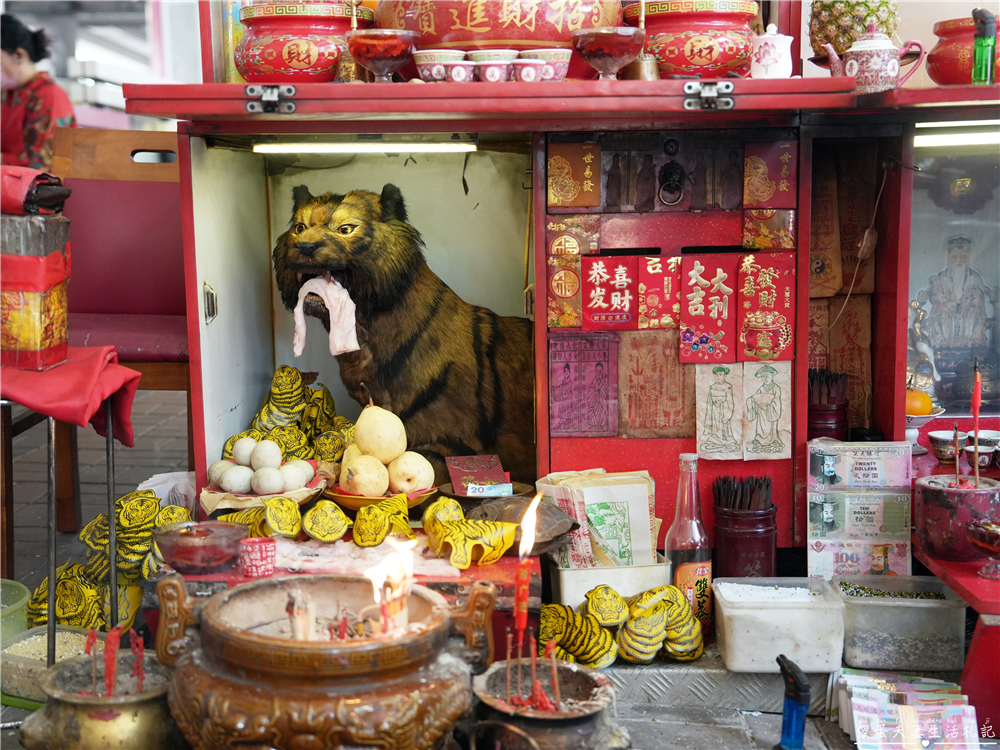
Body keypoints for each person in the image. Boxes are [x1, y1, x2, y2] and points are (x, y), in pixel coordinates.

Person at [2, 14, 76, 171]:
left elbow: (41, 161)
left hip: (38, 191)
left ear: (19, 55)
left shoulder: (49, 96)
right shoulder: (6, 95)